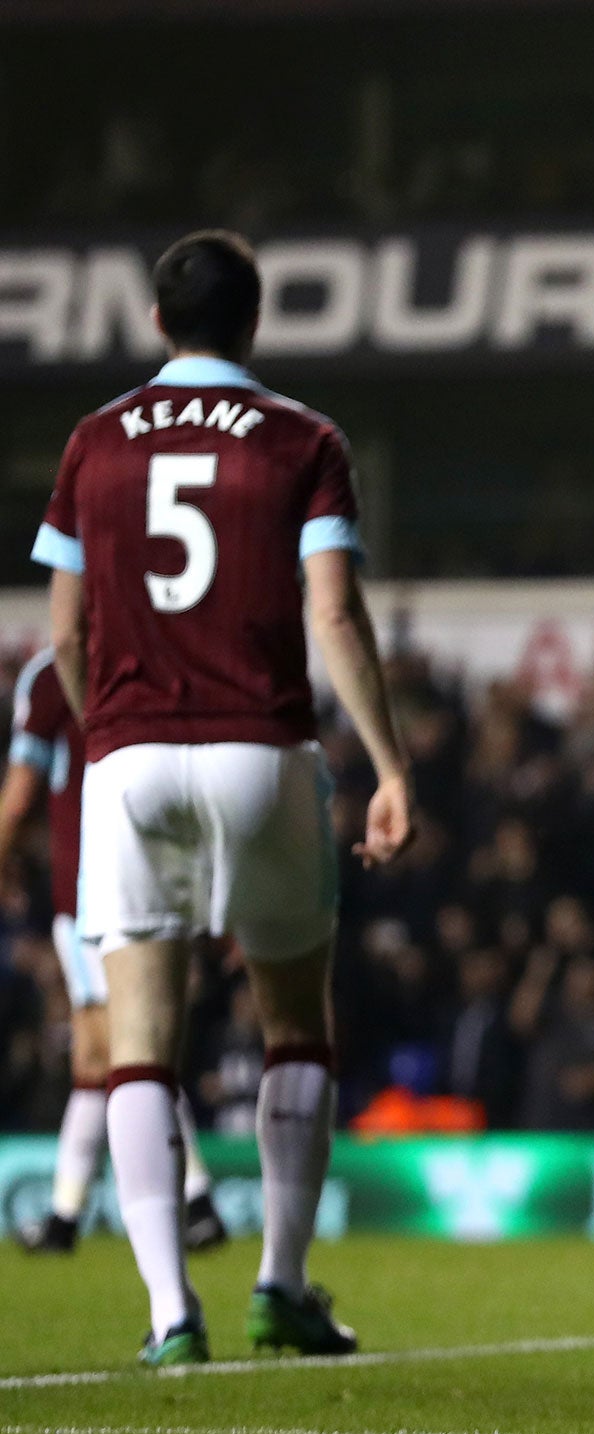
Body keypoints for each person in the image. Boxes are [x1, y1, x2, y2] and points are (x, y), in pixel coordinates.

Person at [33, 229, 415, 1366]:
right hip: (262, 748)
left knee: (140, 1044)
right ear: (254, 324)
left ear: (157, 324)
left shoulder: (92, 444)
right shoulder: (303, 438)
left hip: (130, 754)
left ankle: (168, 1314)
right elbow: (334, 614)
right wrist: (392, 768)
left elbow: (65, 629)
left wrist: (105, 723)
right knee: (296, 1022)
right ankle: (281, 1286)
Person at [4, 647, 227, 1255]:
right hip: (156, 878)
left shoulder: (52, 674)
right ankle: (66, 1214)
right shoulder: (158, 652)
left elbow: (20, 795)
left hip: (88, 895)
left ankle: (194, 1200)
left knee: (128, 1048)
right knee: (100, 1054)